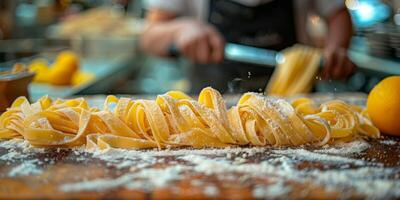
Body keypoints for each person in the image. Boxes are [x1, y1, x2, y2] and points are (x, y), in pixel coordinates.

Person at [140, 0, 355, 93]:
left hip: (295, 107)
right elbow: (149, 36)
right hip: (210, 110)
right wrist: (179, 30)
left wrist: (336, 48)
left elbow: (337, 14)